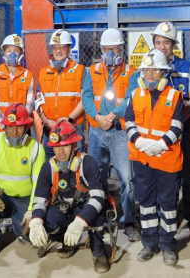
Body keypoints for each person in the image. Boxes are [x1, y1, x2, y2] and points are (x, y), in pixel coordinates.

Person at [125, 49, 183, 266]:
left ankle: (168, 245)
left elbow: (177, 125)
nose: (149, 74)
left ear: (163, 72)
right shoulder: (135, 94)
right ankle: (149, 243)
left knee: (168, 203)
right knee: (146, 202)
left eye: (153, 69)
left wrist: (160, 145)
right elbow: (129, 122)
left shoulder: (174, 95)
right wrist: (139, 142)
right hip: (142, 158)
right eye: (146, 69)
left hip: (166, 158)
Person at [28, 120, 111, 273]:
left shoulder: (87, 163)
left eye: (65, 146)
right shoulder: (48, 168)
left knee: (97, 217)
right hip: (64, 209)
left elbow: (99, 197)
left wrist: (80, 222)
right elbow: (40, 199)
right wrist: (36, 221)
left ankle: (98, 253)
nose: (61, 152)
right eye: (57, 147)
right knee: (50, 220)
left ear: (74, 146)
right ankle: (66, 243)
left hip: (85, 209)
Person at [82, 27, 140, 242]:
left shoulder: (132, 72)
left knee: (127, 178)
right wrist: (98, 118)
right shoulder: (92, 70)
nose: (110, 53)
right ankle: (99, 218)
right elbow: (86, 96)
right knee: (96, 176)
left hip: (119, 132)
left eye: (114, 49)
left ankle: (129, 222)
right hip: (97, 131)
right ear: (102, 49)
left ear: (121, 49)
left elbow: (130, 99)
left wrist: (113, 116)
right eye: (107, 49)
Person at [152, 21, 190, 245]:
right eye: (158, 42)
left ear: (174, 45)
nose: (162, 47)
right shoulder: (148, 67)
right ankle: (162, 224)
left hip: (182, 133)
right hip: (155, 136)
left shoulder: (185, 67)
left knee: (187, 178)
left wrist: (175, 125)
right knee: (162, 180)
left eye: (166, 43)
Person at [0, 103, 45, 262]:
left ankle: (19, 228)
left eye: (19, 127)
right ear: (4, 127)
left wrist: (30, 210)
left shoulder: (35, 148)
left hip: (25, 197)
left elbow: (38, 184)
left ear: (26, 126)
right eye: (10, 127)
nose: (14, 131)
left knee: (28, 234)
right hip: (1, 195)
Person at [37, 29, 85, 159]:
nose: (58, 51)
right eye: (55, 47)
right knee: (50, 165)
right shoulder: (43, 72)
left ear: (69, 49)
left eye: (62, 47)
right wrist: (46, 121)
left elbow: (84, 100)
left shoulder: (80, 71)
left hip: (73, 128)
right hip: (49, 130)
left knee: (73, 165)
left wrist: (68, 119)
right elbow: (38, 101)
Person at [0, 34, 34, 137]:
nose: (12, 54)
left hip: (21, 128)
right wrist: (4, 125)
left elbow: (30, 104)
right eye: (9, 51)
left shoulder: (28, 75)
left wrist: (20, 125)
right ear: (3, 53)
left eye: (16, 51)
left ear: (21, 53)